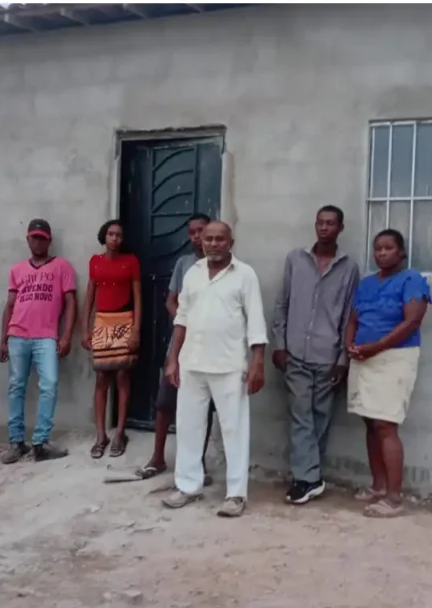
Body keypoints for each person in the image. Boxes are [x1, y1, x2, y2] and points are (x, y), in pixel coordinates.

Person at [162, 221, 267, 518]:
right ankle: (187, 486)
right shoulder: (193, 273)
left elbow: (257, 322)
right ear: (201, 242)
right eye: (208, 239)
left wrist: (257, 363)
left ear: (231, 242)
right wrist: (173, 359)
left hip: (229, 365)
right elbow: (181, 319)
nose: (213, 243)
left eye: (220, 239)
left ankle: (235, 494)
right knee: (189, 427)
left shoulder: (244, 275)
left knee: (234, 430)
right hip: (192, 363)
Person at [272, 206, 360, 505]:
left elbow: (350, 314)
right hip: (295, 352)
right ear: (315, 225)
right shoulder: (296, 259)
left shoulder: (348, 268)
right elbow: (282, 304)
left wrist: (342, 360)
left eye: (331, 223)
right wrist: (279, 344)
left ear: (340, 228)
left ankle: (312, 476)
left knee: (320, 418)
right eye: (320, 222)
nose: (324, 228)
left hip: (328, 354)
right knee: (300, 416)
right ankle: (304, 478)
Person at [344, 228, 430, 519]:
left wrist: (376, 347)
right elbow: (353, 319)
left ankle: (394, 498)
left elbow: (412, 321)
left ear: (401, 252)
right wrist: (350, 345)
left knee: (386, 424)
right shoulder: (367, 284)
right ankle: (378, 486)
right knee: (370, 421)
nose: (381, 253)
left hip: (394, 358)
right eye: (377, 248)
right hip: (364, 356)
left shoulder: (412, 280)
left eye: (388, 248)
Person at [142, 214, 215, 482]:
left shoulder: (223, 266)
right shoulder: (184, 264)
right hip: (180, 342)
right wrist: (183, 319)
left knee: (204, 406)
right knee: (165, 402)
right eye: (193, 232)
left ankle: (198, 462)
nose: (197, 236)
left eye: (201, 231)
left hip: (210, 347)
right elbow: (171, 300)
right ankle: (158, 458)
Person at [0, 219, 77, 463]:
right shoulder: (17, 270)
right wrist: (3, 340)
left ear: (49, 240)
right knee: (16, 387)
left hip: (46, 336)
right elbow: (10, 305)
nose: (38, 241)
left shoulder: (62, 267)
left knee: (49, 384)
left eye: (42, 238)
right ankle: (16, 442)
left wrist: (66, 335)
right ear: (28, 239)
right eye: (34, 237)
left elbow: (71, 303)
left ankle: (41, 442)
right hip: (18, 335)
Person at [81, 220, 141, 458]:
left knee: (123, 377)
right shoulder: (95, 262)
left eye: (118, 235)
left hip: (124, 320)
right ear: (103, 237)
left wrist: (136, 328)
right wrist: (85, 329)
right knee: (101, 378)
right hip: (102, 322)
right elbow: (89, 296)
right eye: (111, 234)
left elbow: (138, 297)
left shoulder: (131, 262)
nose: (114, 238)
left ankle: (119, 433)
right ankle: (100, 435)